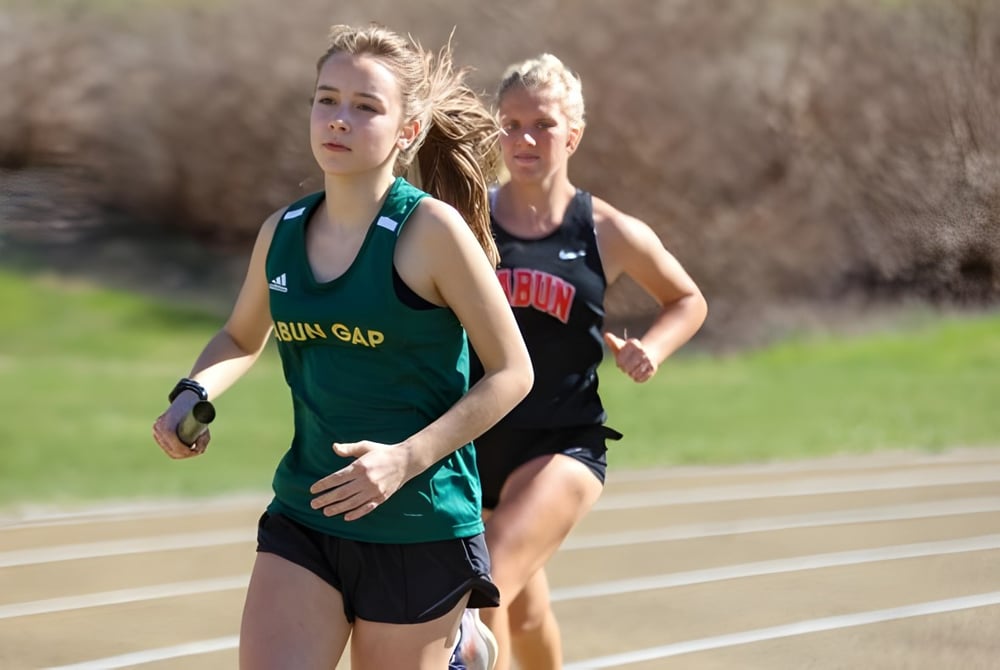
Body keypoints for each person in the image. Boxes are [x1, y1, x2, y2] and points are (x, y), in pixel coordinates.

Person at [151, 23, 533, 670]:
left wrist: (405, 459)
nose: (339, 119)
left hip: (419, 524)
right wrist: (193, 393)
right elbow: (243, 334)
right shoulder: (283, 232)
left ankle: (463, 644)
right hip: (306, 514)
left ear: (407, 131)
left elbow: (512, 372)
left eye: (366, 107)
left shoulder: (429, 232)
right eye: (326, 99)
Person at [459, 53, 709, 670]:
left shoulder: (606, 230)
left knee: (484, 579)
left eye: (541, 124)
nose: (523, 138)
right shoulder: (465, 221)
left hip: (564, 442)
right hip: (472, 437)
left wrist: (652, 347)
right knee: (523, 610)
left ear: (572, 134)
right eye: (510, 123)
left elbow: (687, 299)